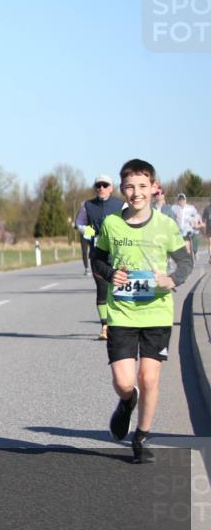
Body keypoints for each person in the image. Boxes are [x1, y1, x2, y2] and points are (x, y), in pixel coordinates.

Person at [91, 159, 193, 463]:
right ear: (122, 190)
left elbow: (185, 262)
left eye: (142, 186)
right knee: (124, 382)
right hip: (121, 313)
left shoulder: (166, 226)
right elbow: (98, 259)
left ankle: (141, 436)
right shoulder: (112, 224)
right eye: (130, 187)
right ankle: (127, 401)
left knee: (149, 378)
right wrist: (111, 274)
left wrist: (171, 279)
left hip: (157, 313)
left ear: (154, 188)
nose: (136, 193)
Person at [75, 175, 125, 340]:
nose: (101, 188)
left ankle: (120, 324)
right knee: (102, 289)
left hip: (118, 255)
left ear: (111, 187)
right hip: (97, 254)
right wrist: (92, 233)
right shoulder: (87, 205)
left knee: (118, 288)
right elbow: (79, 224)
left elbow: (131, 223)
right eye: (98, 186)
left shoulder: (121, 205)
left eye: (105, 185)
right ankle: (105, 326)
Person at [171, 193, 204, 261]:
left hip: (188, 229)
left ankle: (194, 252)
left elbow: (197, 215)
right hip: (179, 230)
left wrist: (195, 222)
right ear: (178, 201)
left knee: (190, 242)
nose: (181, 201)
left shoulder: (190, 208)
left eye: (183, 199)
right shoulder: (174, 208)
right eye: (180, 200)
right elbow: (170, 215)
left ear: (185, 200)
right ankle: (186, 258)